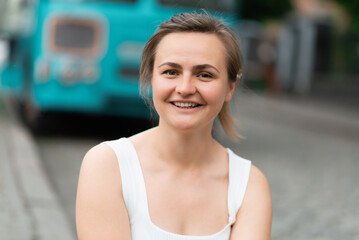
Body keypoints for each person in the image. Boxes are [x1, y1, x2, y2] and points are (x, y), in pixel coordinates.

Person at [76, 12, 272, 240]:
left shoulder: (249, 185)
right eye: (171, 72)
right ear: (151, 79)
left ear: (230, 87)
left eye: (205, 74)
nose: (185, 87)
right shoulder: (107, 166)